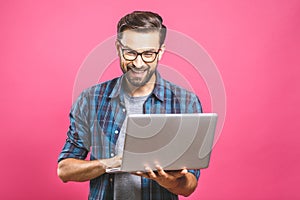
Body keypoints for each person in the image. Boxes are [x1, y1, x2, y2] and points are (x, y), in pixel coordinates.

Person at [57, 11, 203, 200]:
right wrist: (114, 163)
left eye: (148, 54)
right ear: (118, 48)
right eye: (130, 52)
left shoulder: (185, 102)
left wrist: (166, 180)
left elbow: (189, 186)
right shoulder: (91, 100)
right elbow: (65, 170)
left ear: (161, 51)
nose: (138, 63)